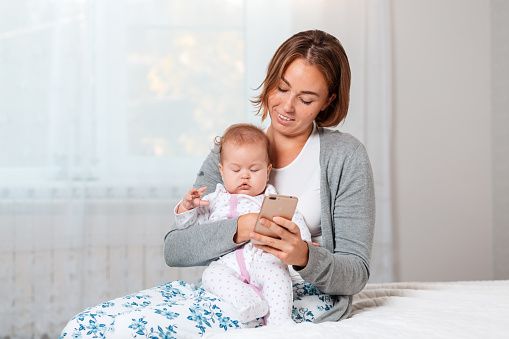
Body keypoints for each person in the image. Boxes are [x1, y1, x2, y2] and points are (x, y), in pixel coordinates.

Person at [60, 29, 375, 338]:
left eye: (306, 99)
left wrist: (303, 255)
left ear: (327, 101)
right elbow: (176, 249)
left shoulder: (346, 157)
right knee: (88, 326)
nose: (287, 107)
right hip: (232, 286)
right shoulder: (232, 152)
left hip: (297, 296)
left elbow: (355, 274)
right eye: (281, 88)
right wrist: (244, 226)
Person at [174, 123, 311, 326]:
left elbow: (293, 221)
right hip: (228, 263)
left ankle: (281, 321)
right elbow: (187, 229)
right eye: (236, 169)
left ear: (267, 170)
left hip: (263, 258)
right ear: (221, 171)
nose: (245, 175)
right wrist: (187, 208)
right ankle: (247, 301)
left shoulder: (271, 198)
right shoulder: (214, 200)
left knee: (278, 273)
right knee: (211, 275)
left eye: (254, 169)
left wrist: (305, 243)